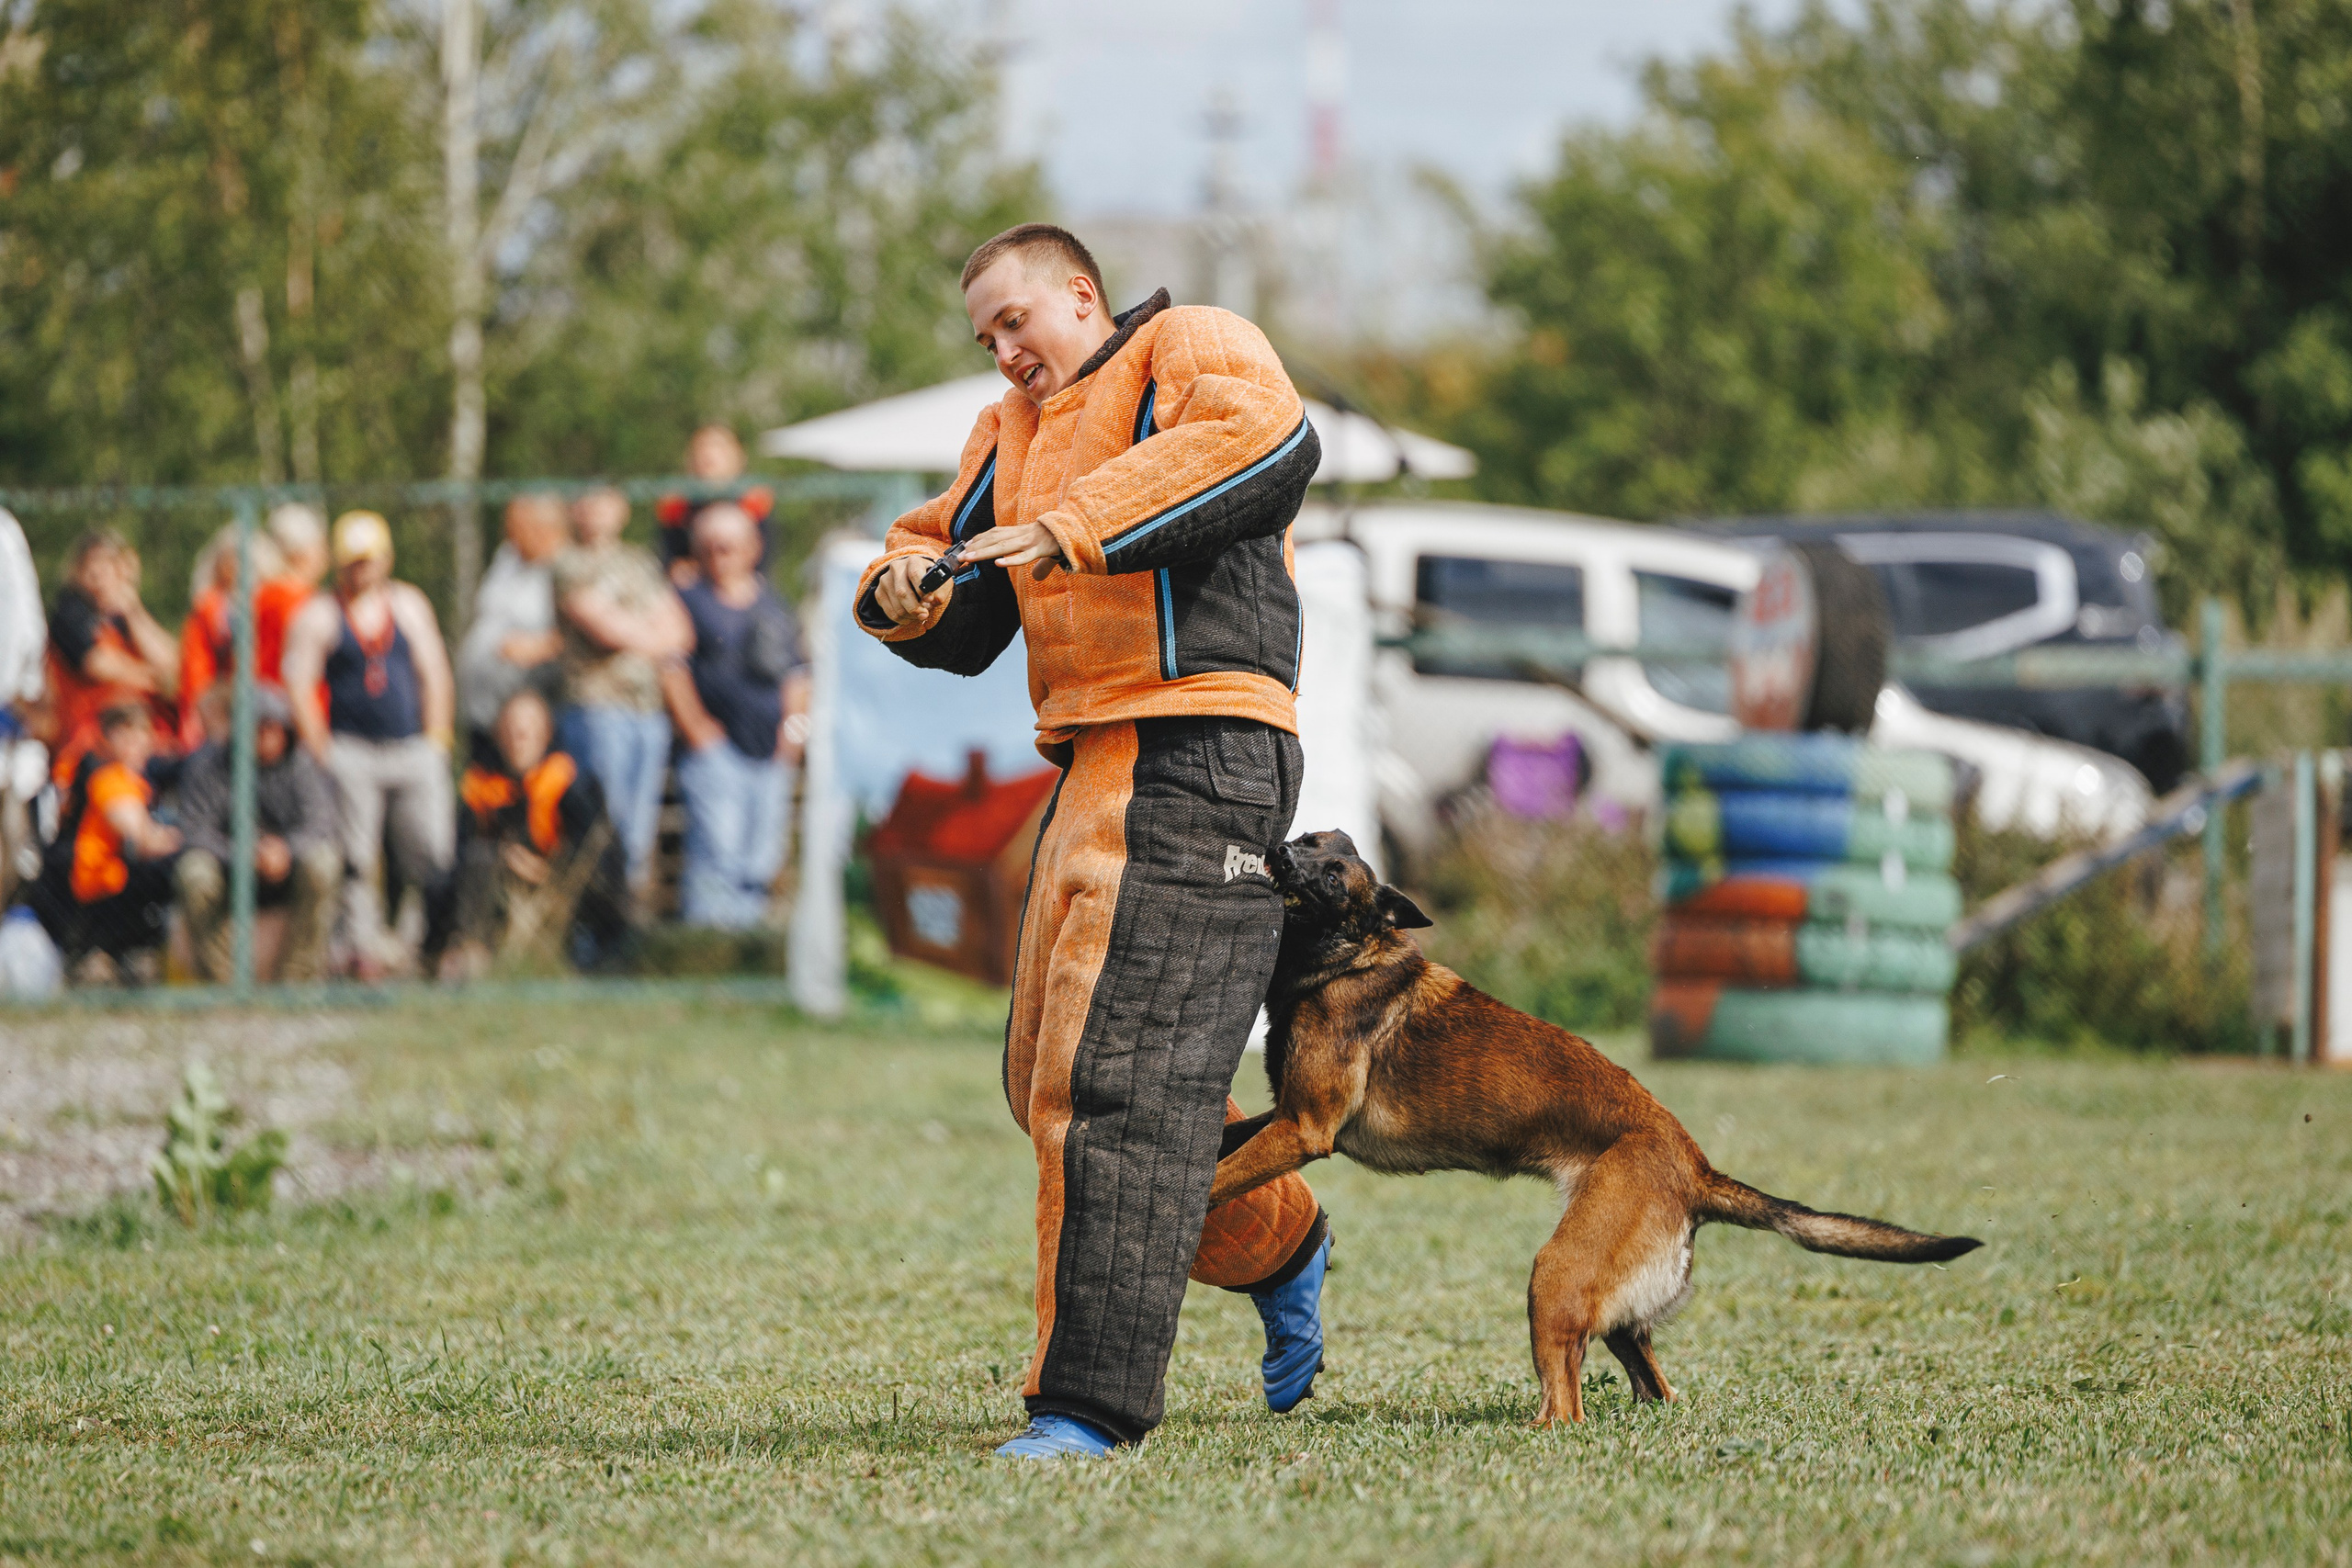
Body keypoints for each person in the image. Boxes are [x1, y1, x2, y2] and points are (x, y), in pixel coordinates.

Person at [857, 224, 1330, 1458]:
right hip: (1087, 764)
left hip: (1205, 749)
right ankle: (1281, 1236)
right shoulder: (1005, 433)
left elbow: (1266, 444)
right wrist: (905, 590)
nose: (1005, 351)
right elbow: (947, 565)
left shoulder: (1191, 344)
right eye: (986, 337)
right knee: (1042, 1081)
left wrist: (1061, 528)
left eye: (1018, 321)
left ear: (1082, 293)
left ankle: (1086, 1406)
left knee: (1111, 1085)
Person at [281, 511, 457, 977]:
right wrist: (322, 750)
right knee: (357, 858)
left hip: (411, 747)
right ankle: (362, 948)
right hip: (352, 750)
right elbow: (299, 684)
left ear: (386, 560)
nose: (362, 570)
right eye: (353, 562)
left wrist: (437, 739)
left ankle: (423, 942)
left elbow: (434, 671)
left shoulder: (408, 606)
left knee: (429, 848)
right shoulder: (321, 613)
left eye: (370, 560)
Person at [662, 503, 807, 928]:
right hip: (716, 752)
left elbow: (799, 676)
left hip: (772, 752)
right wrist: (698, 732)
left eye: (729, 546)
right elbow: (671, 667)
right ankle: (710, 949)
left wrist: (792, 738)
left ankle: (748, 949)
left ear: (752, 548)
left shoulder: (776, 604)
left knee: (761, 858)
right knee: (715, 855)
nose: (720, 555)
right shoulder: (685, 600)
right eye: (710, 547)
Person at [551, 485, 690, 897]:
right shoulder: (567, 562)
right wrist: (652, 636)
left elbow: (681, 631)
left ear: (622, 510)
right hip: (596, 706)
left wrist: (639, 633)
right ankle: (595, 928)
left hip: (647, 710)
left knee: (638, 831)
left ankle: (627, 926)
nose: (596, 511)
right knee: (603, 825)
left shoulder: (640, 562)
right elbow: (602, 626)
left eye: (604, 501)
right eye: (587, 501)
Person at [442, 687, 630, 979]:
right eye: (512, 731)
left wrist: (547, 871)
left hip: (563, 886)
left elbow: (596, 853)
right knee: (472, 863)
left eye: (527, 732)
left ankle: (601, 961)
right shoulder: (483, 783)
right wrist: (504, 856)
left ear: (545, 734)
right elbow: (461, 848)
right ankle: (468, 954)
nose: (519, 741)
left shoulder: (569, 781)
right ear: (498, 734)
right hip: (499, 886)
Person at [173, 683, 341, 983]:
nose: (266, 737)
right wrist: (242, 854)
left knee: (324, 863)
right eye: (258, 728)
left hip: (285, 869)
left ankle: (297, 981)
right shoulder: (208, 766)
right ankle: (223, 982)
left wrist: (286, 850)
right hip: (228, 868)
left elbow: (321, 824)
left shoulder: (300, 766)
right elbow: (195, 831)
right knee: (194, 871)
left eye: (274, 728)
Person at [26, 702, 181, 983]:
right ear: (109, 740)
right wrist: (189, 839)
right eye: (127, 738)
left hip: (102, 890)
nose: (137, 746)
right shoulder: (109, 776)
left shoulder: (137, 777)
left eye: (142, 736)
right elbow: (143, 839)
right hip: (93, 893)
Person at [41, 530, 178, 785]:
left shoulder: (124, 617)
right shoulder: (70, 613)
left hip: (147, 740)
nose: (98, 575)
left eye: (107, 566)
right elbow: (99, 664)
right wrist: (155, 679)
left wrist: (133, 611)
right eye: (90, 567)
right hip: (94, 743)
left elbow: (171, 665)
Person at [457, 491, 568, 756]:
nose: (510, 532)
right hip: (485, 714)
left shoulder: (564, 570)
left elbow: (576, 636)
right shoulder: (508, 558)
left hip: (527, 722)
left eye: (519, 524)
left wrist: (538, 647)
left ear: (547, 528)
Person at [177, 522, 286, 749]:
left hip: (266, 699)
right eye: (232, 558)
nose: (239, 565)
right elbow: (195, 674)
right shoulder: (207, 609)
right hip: (219, 706)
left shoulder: (276, 603)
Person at [654, 424, 774, 586]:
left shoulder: (754, 501)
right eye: (702, 448)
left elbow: (765, 558)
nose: (708, 455)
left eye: (718, 448)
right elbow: (670, 556)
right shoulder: (677, 505)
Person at [254, 502, 330, 687]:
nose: (326, 553)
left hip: (264, 697)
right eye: (320, 545)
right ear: (299, 553)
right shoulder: (304, 601)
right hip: (294, 701)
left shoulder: (262, 594)